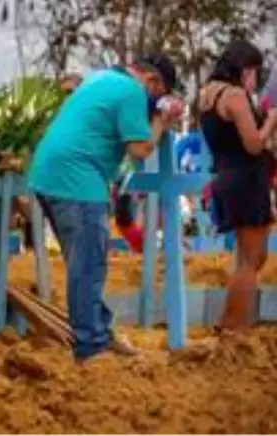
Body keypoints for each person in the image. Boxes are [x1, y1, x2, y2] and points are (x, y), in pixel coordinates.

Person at [28, 54, 184, 361]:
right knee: (88, 266)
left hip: (49, 174)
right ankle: (91, 345)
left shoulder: (101, 78)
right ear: (152, 82)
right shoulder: (132, 92)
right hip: (77, 180)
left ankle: (98, 330)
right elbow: (140, 148)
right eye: (159, 94)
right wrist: (161, 122)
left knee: (83, 261)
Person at [198, 40, 277, 333]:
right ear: (245, 69)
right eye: (254, 72)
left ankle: (231, 322)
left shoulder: (206, 94)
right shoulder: (234, 97)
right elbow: (254, 144)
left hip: (227, 177)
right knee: (251, 258)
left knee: (250, 257)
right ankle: (233, 327)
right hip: (246, 180)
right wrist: (271, 120)